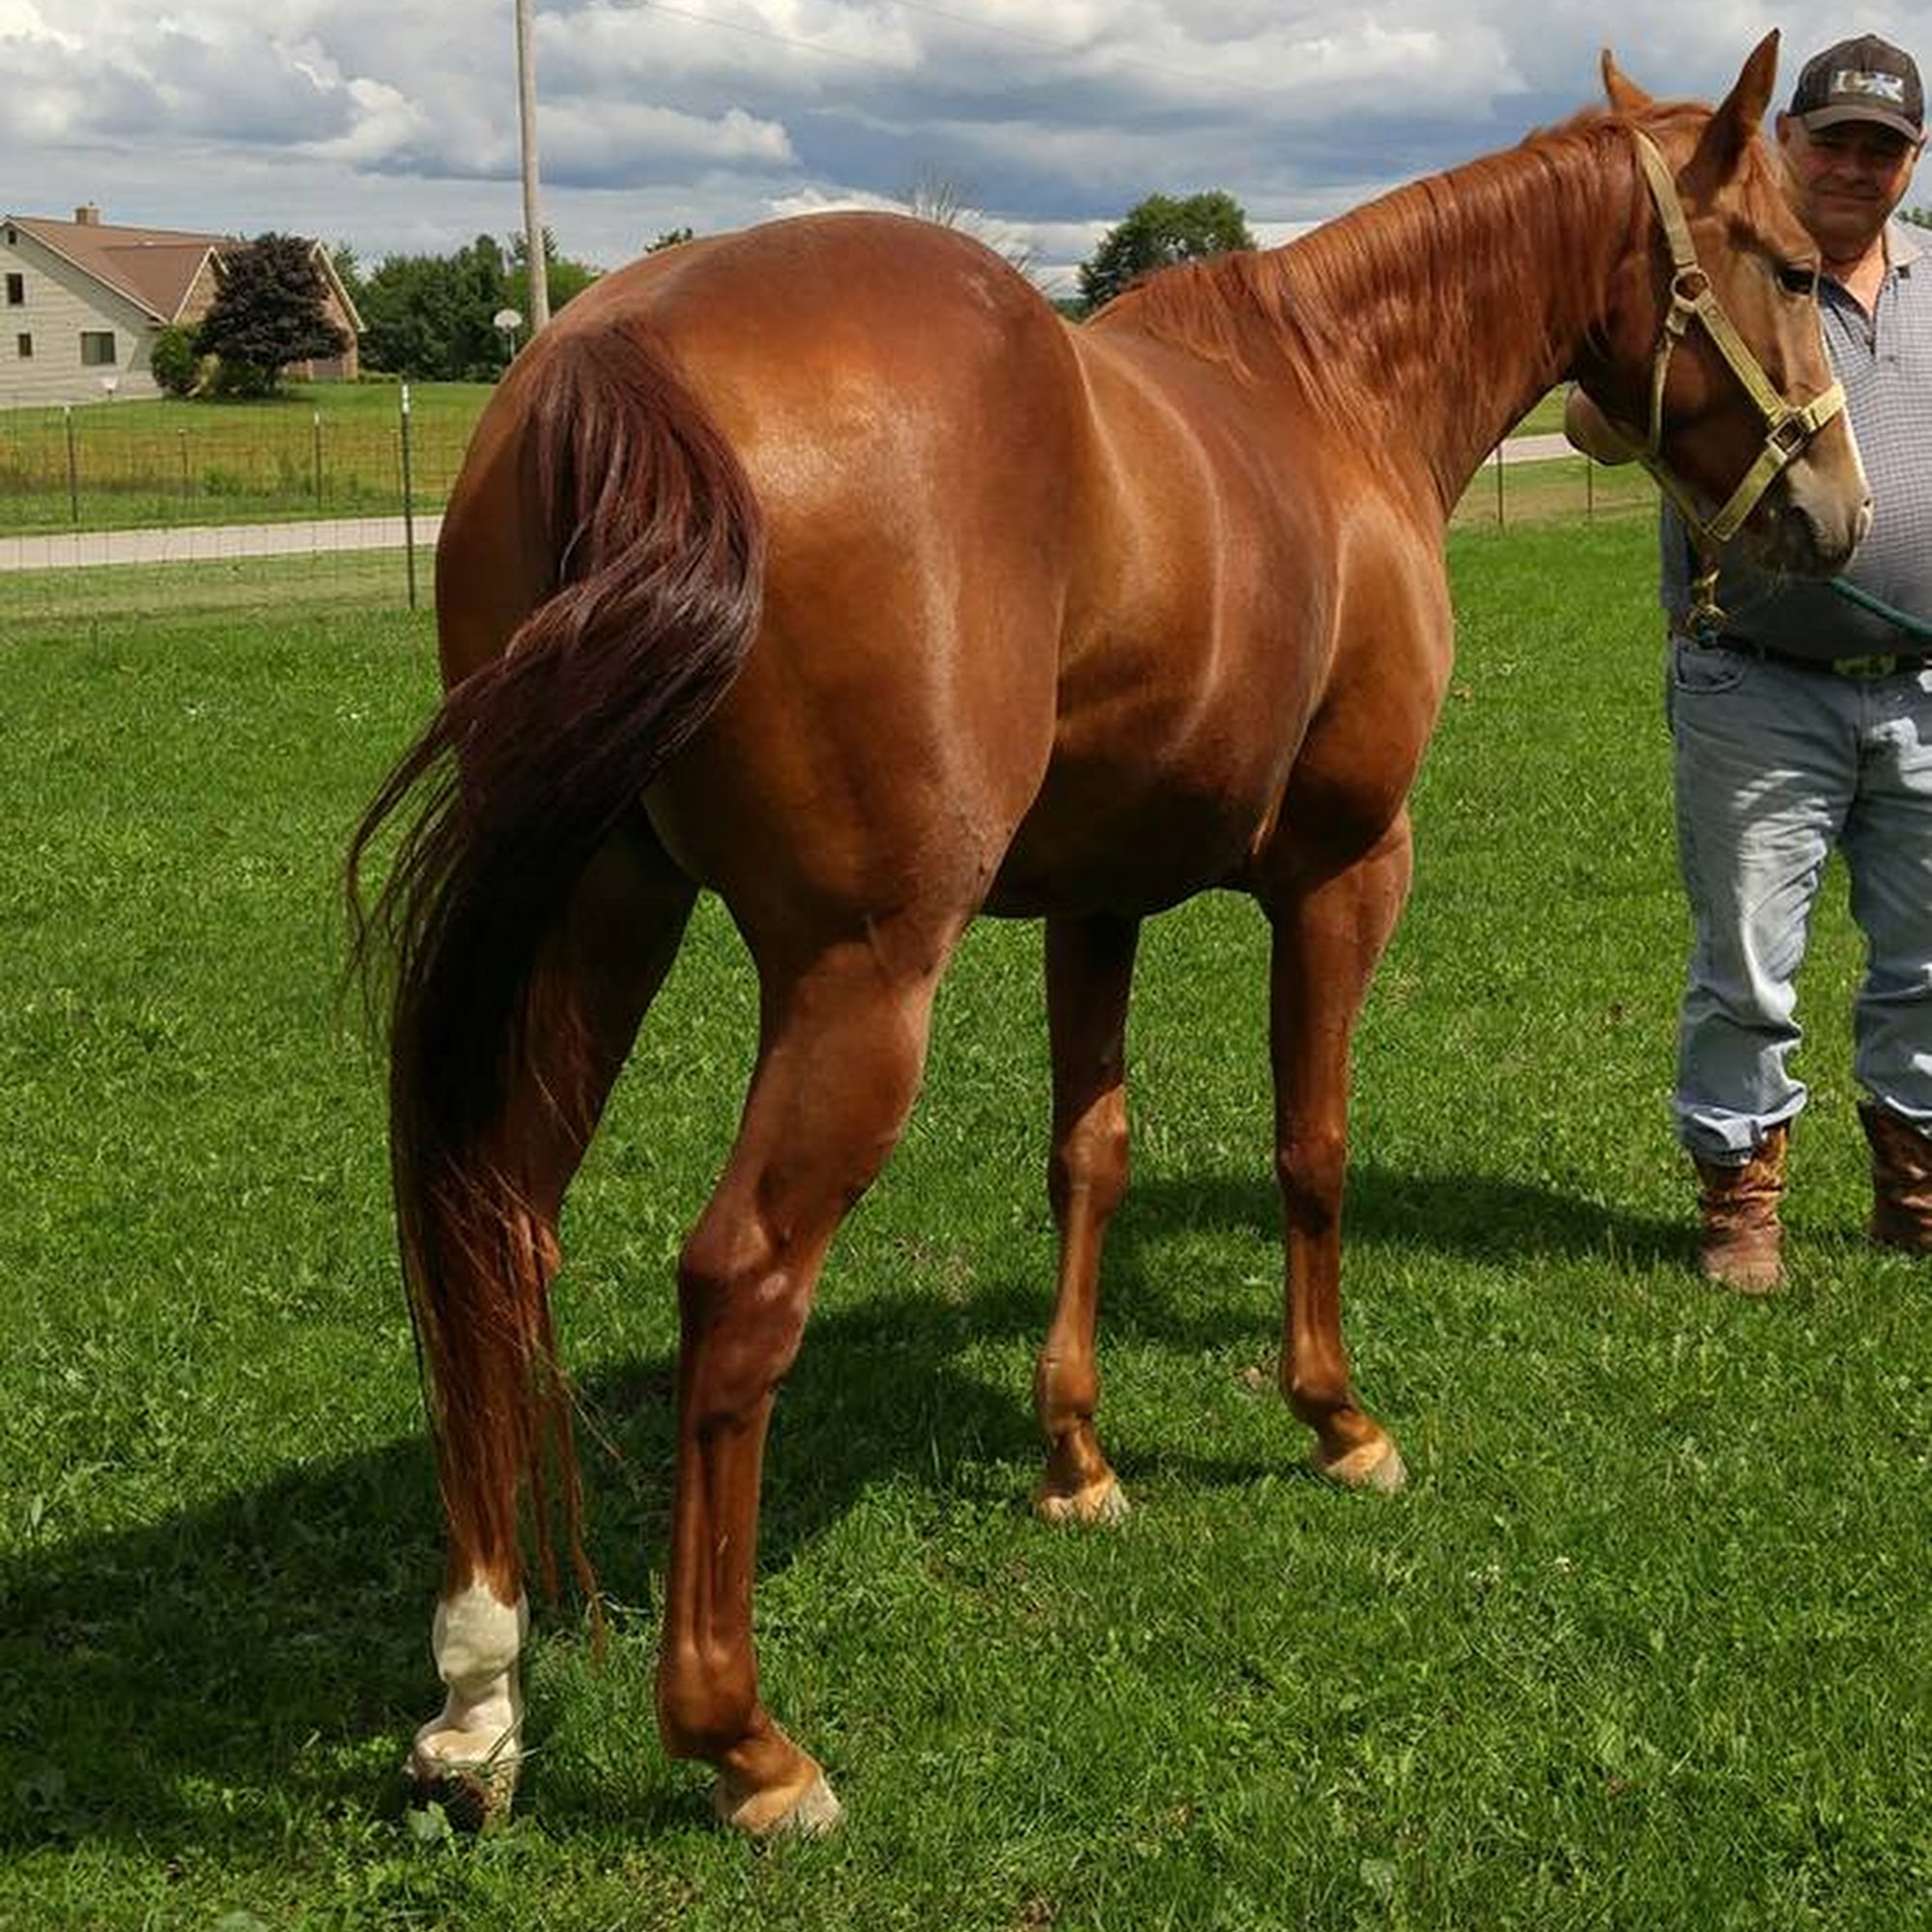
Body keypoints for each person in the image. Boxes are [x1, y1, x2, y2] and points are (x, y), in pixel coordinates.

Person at [1663, 34, 1931, 1292]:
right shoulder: (1728, 275)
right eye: (1833, 141)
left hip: (1927, 694)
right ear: (1785, 145)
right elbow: (1617, 415)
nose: (1855, 168)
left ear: (1911, 163)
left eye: (1882, 149)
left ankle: (1914, 1191)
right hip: (1758, 683)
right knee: (1750, 969)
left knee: (1930, 962)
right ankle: (1741, 1210)